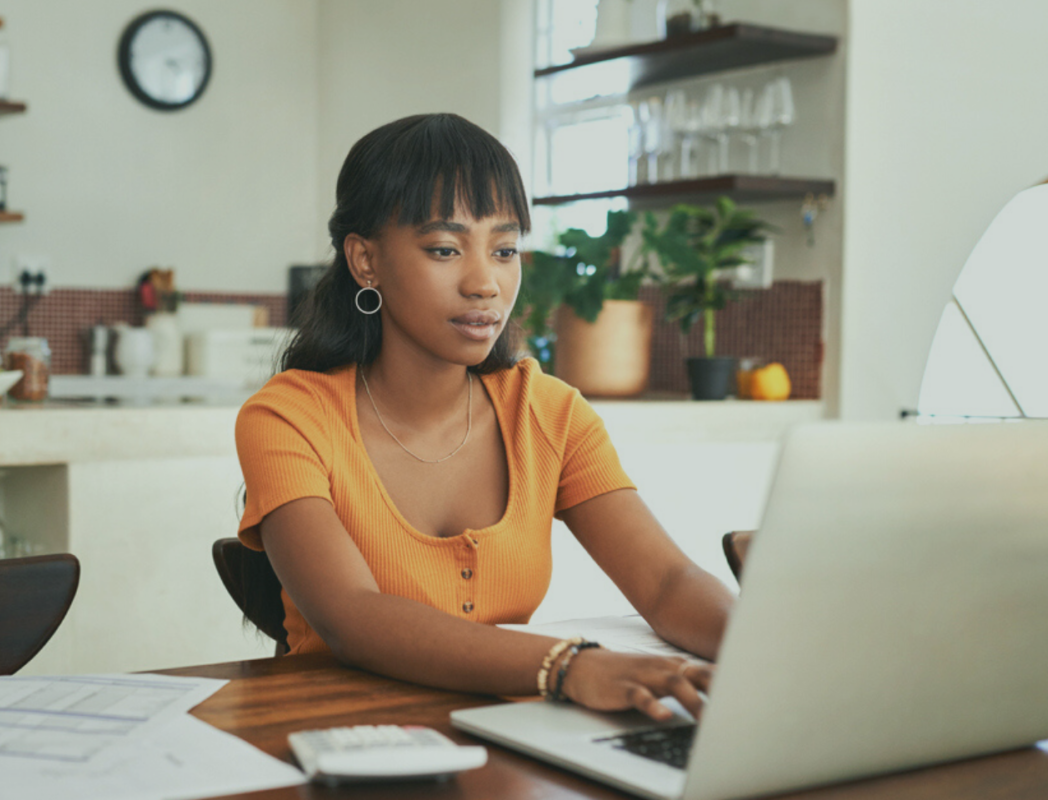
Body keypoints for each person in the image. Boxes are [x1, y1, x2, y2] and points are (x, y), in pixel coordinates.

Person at [234, 114, 733, 721]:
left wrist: (770, 653)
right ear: (366, 261)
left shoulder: (548, 413)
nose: (485, 284)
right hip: (335, 745)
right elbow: (352, 616)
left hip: (509, 740)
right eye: (445, 250)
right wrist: (568, 666)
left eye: (504, 250)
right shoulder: (289, 417)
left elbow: (667, 584)